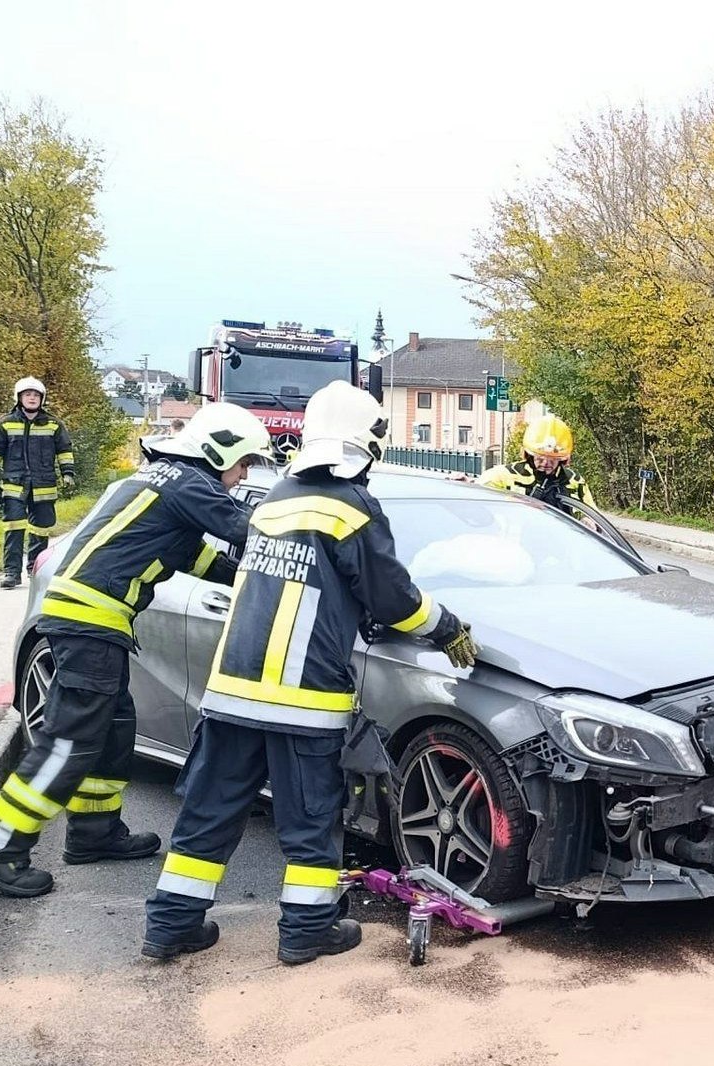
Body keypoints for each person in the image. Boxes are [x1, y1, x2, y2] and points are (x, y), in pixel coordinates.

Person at [143, 381, 479, 965]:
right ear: (366, 444)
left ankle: (170, 925)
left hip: (230, 695)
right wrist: (445, 627)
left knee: (209, 812)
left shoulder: (273, 498)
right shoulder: (352, 507)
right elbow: (393, 597)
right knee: (311, 820)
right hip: (301, 700)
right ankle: (306, 932)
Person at [0, 403, 274, 899]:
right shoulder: (192, 485)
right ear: (220, 452)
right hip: (90, 622)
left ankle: (93, 832)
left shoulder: (163, 482)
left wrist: (251, 580)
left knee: (113, 726)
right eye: (245, 463)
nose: (244, 474)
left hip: (84, 620)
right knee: (69, 740)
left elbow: (200, 558)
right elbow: (250, 530)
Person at [0, 377, 76, 588]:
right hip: (14, 485)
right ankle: (11, 573)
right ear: (19, 398)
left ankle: (35, 568)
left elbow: (64, 450)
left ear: (42, 399)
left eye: (36, 395)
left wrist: (67, 472)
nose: (32, 398)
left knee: (41, 529)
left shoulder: (53, 424)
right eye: (27, 395)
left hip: (45, 486)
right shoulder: (5, 423)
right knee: (13, 528)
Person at [478, 416, 593, 512]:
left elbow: (591, 512)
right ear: (529, 454)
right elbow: (477, 494)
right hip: (516, 538)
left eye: (553, 459)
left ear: (563, 459)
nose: (546, 463)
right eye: (540, 458)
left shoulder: (574, 481)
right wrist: (514, 501)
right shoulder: (504, 475)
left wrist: (587, 521)